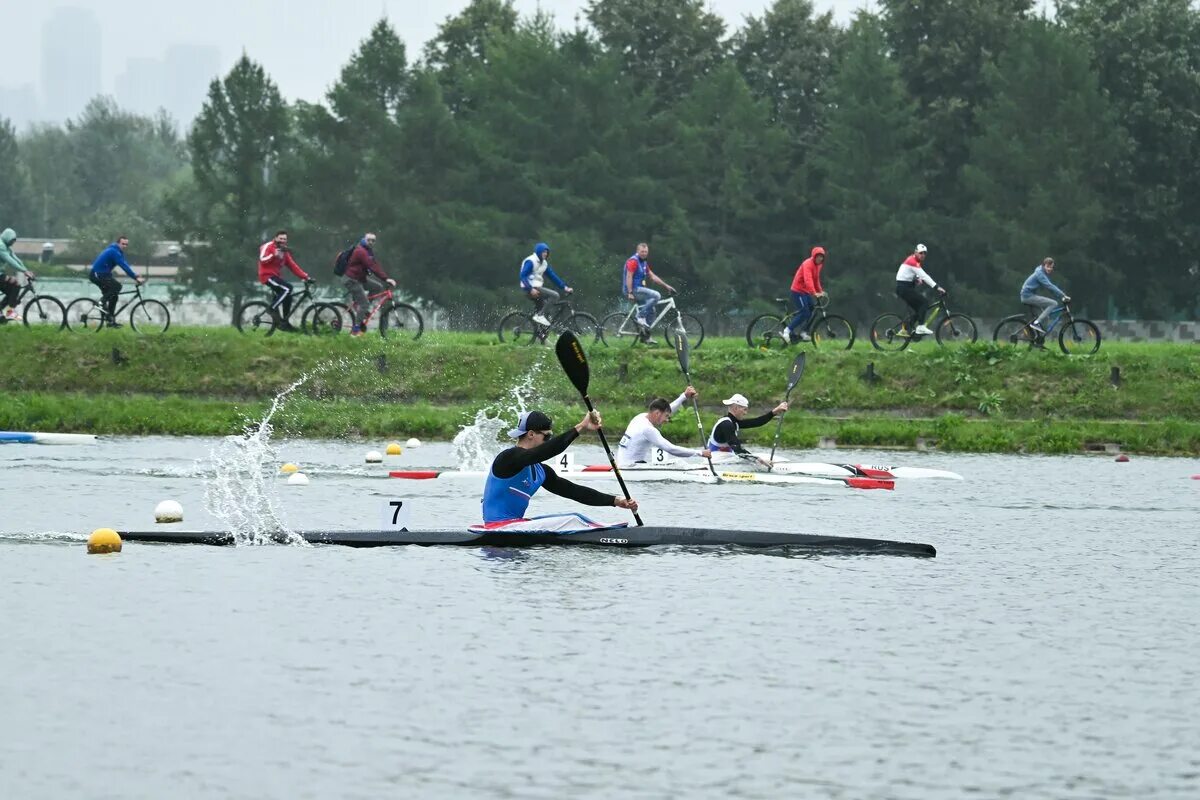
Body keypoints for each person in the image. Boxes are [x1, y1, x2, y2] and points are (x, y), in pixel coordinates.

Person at [482, 409, 640, 523]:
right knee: (573, 520)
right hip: (496, 529)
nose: (550, 441)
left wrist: (616, 501)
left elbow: (574, 491)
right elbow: (549, 450)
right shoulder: (508, 459)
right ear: (530, 434)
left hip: (514, 527)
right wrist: (581, 427)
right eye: (547, 436)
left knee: (576, 518)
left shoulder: (541, 471)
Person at [617, 386, 713, 467]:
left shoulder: (640, 417)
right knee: (678, 463)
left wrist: (684, 396)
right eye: (666, 416)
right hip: (630, 469)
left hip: (623, 465)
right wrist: (700, 453)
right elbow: (671, 449)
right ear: (657, 413)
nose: (667, 420)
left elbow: (668, 409)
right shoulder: (648, 429)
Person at [707, 393, 789, 467]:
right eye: (744, 409)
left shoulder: (734, 422)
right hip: (715, 460)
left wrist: (775, 411)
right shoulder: (726, 424)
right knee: (755, 460)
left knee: (761, 457)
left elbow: (757, 422)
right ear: (736, 408)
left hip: (726, 458)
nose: (746, 413)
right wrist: (758, 460)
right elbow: (738, 449)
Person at [257, 229, 311, 332]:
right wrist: (273, 255)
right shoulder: (267, 246)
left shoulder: (284, 251)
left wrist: (305, 277)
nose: (282, 240)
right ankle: (271, 309)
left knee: (288, 297)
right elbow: (262, 259)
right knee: (288, 288)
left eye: (284, 239)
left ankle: (284, 323)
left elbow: (292, 266)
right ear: (276, 238)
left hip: (276, 277)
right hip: (266, 276)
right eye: (280, 238)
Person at [623, 242, 677, 343]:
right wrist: (630, 292)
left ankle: (645, 337)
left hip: (639, 290)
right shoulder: (633, 261)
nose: (644, 253)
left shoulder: (643, 262)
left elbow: (653, 276)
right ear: (637, 251)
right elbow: (629, 277)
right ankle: (640, 317)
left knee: (652, 311)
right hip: (634, 290)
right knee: (656, 295)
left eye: (646, 251)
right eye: (642, 251)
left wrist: (666, 286)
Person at [343, 232, 395, 337]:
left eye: (373, 240)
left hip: (359, 279)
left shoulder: (368, 251)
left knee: (377, 287)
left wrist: (384, 278)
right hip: (351, 280)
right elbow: (372, 266)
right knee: (364, 303)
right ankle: (355, 331)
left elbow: (375, 264)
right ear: (364, 239)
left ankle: (363, 309)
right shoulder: (361, 251)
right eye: (369, 240)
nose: (371, 242)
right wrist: (386, 278)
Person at [90, 236, 144, 328]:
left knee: (114, 297)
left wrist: (136, 275)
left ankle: (110, 321)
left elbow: (125, 264)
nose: (125, 246)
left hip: (104, 275)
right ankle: (101, 302)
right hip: (97, 275)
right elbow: (123, 266)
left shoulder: (118, 252)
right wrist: (135, 277)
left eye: (126, 244)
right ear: (118, 243)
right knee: (117, 287)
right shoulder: (113, 252)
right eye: (123, 244)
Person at [895, 243, 945, 336]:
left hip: (904, 287)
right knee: (924, 303)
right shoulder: (913, 261)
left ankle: (905, 329)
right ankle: (921, 327)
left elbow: (913, 272)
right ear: (916, 252)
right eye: (921, 253)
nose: (923, 255)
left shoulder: (913, 260)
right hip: (904, 288)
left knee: (920, 310)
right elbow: (924, 276)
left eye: (925, 253)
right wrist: (937, 287)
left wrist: (917, 278)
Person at [520, 242, 572, 326]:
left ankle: (541, 333)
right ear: (538, 252)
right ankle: (540, 315)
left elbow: (553, 276)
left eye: (547, 252)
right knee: (555, 295)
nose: (545, 254)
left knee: (545, 309)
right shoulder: (531, 261)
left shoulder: (544, 263)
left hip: (536, 288)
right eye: (543, 252)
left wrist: (564, 287)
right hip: (530, 288)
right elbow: (523, 276)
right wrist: (530, 289)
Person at [783, 246, 827, 344]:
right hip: (798, 290)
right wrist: (814, 293)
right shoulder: (808, 264)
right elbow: (808, 280)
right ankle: (787, 330)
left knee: (811, 309)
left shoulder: (819, 265)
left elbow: (816, 279)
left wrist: (820, 291)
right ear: (814, 256)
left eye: (822, 257)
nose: (820, 258)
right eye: (818, 256)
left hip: (806, 291)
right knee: (805, 312)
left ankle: (803, 332)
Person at [1020, 257, 1070, 339]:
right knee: (1053, 303)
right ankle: (1036, 323)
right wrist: (1063, 295)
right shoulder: (1040, 274)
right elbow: (1049, 286)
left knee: (1045, 317)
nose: (1050, 269)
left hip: (1028, 295)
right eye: (1048, 266)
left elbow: (1050, 288)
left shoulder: (1040, 272)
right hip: (1027, 296)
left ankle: (1037, 338)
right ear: (1043, 265)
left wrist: (1059, 296)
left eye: (1051, 267)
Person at [1, 228, 32, 321]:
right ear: (7, 238)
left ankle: (3, 314)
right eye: (11, 241)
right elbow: (10, 261)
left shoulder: (7, 247)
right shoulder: (1, 246)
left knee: (12, 292)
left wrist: (26, 270)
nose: (12, 243)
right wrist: (24, 271)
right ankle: (8, 312)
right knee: (16, 285)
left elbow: (16, 259)